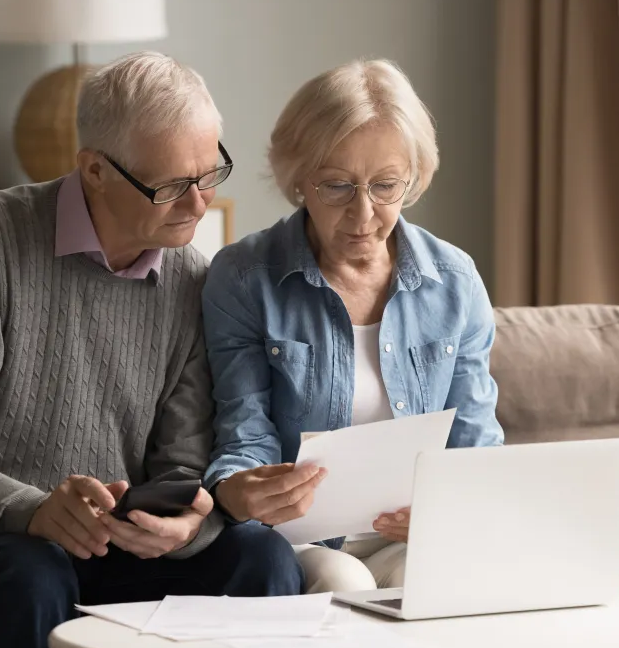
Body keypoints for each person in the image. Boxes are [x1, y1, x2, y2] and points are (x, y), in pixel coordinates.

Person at [0, 52, 303, 648]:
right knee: (33, 567)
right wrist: (32, 510)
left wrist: (188, 526)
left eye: (210, 175)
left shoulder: (192, 282)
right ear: (95, 170)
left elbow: (179, 464)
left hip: (108, 550)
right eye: (173, 185)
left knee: (263, 559)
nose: (200, 204)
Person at [201, 59, 504, 594]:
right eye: (338, 186)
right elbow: (243, 433)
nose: (364, 215)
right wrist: (242, 488)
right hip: (305, 539)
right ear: (299, 181)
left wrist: (450, 509)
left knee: (436, 582)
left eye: (386, 186)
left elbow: (476, 442)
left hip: (413, 535)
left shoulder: (454, 281)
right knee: (343, 582)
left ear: (413, 180)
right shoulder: (246, 277)